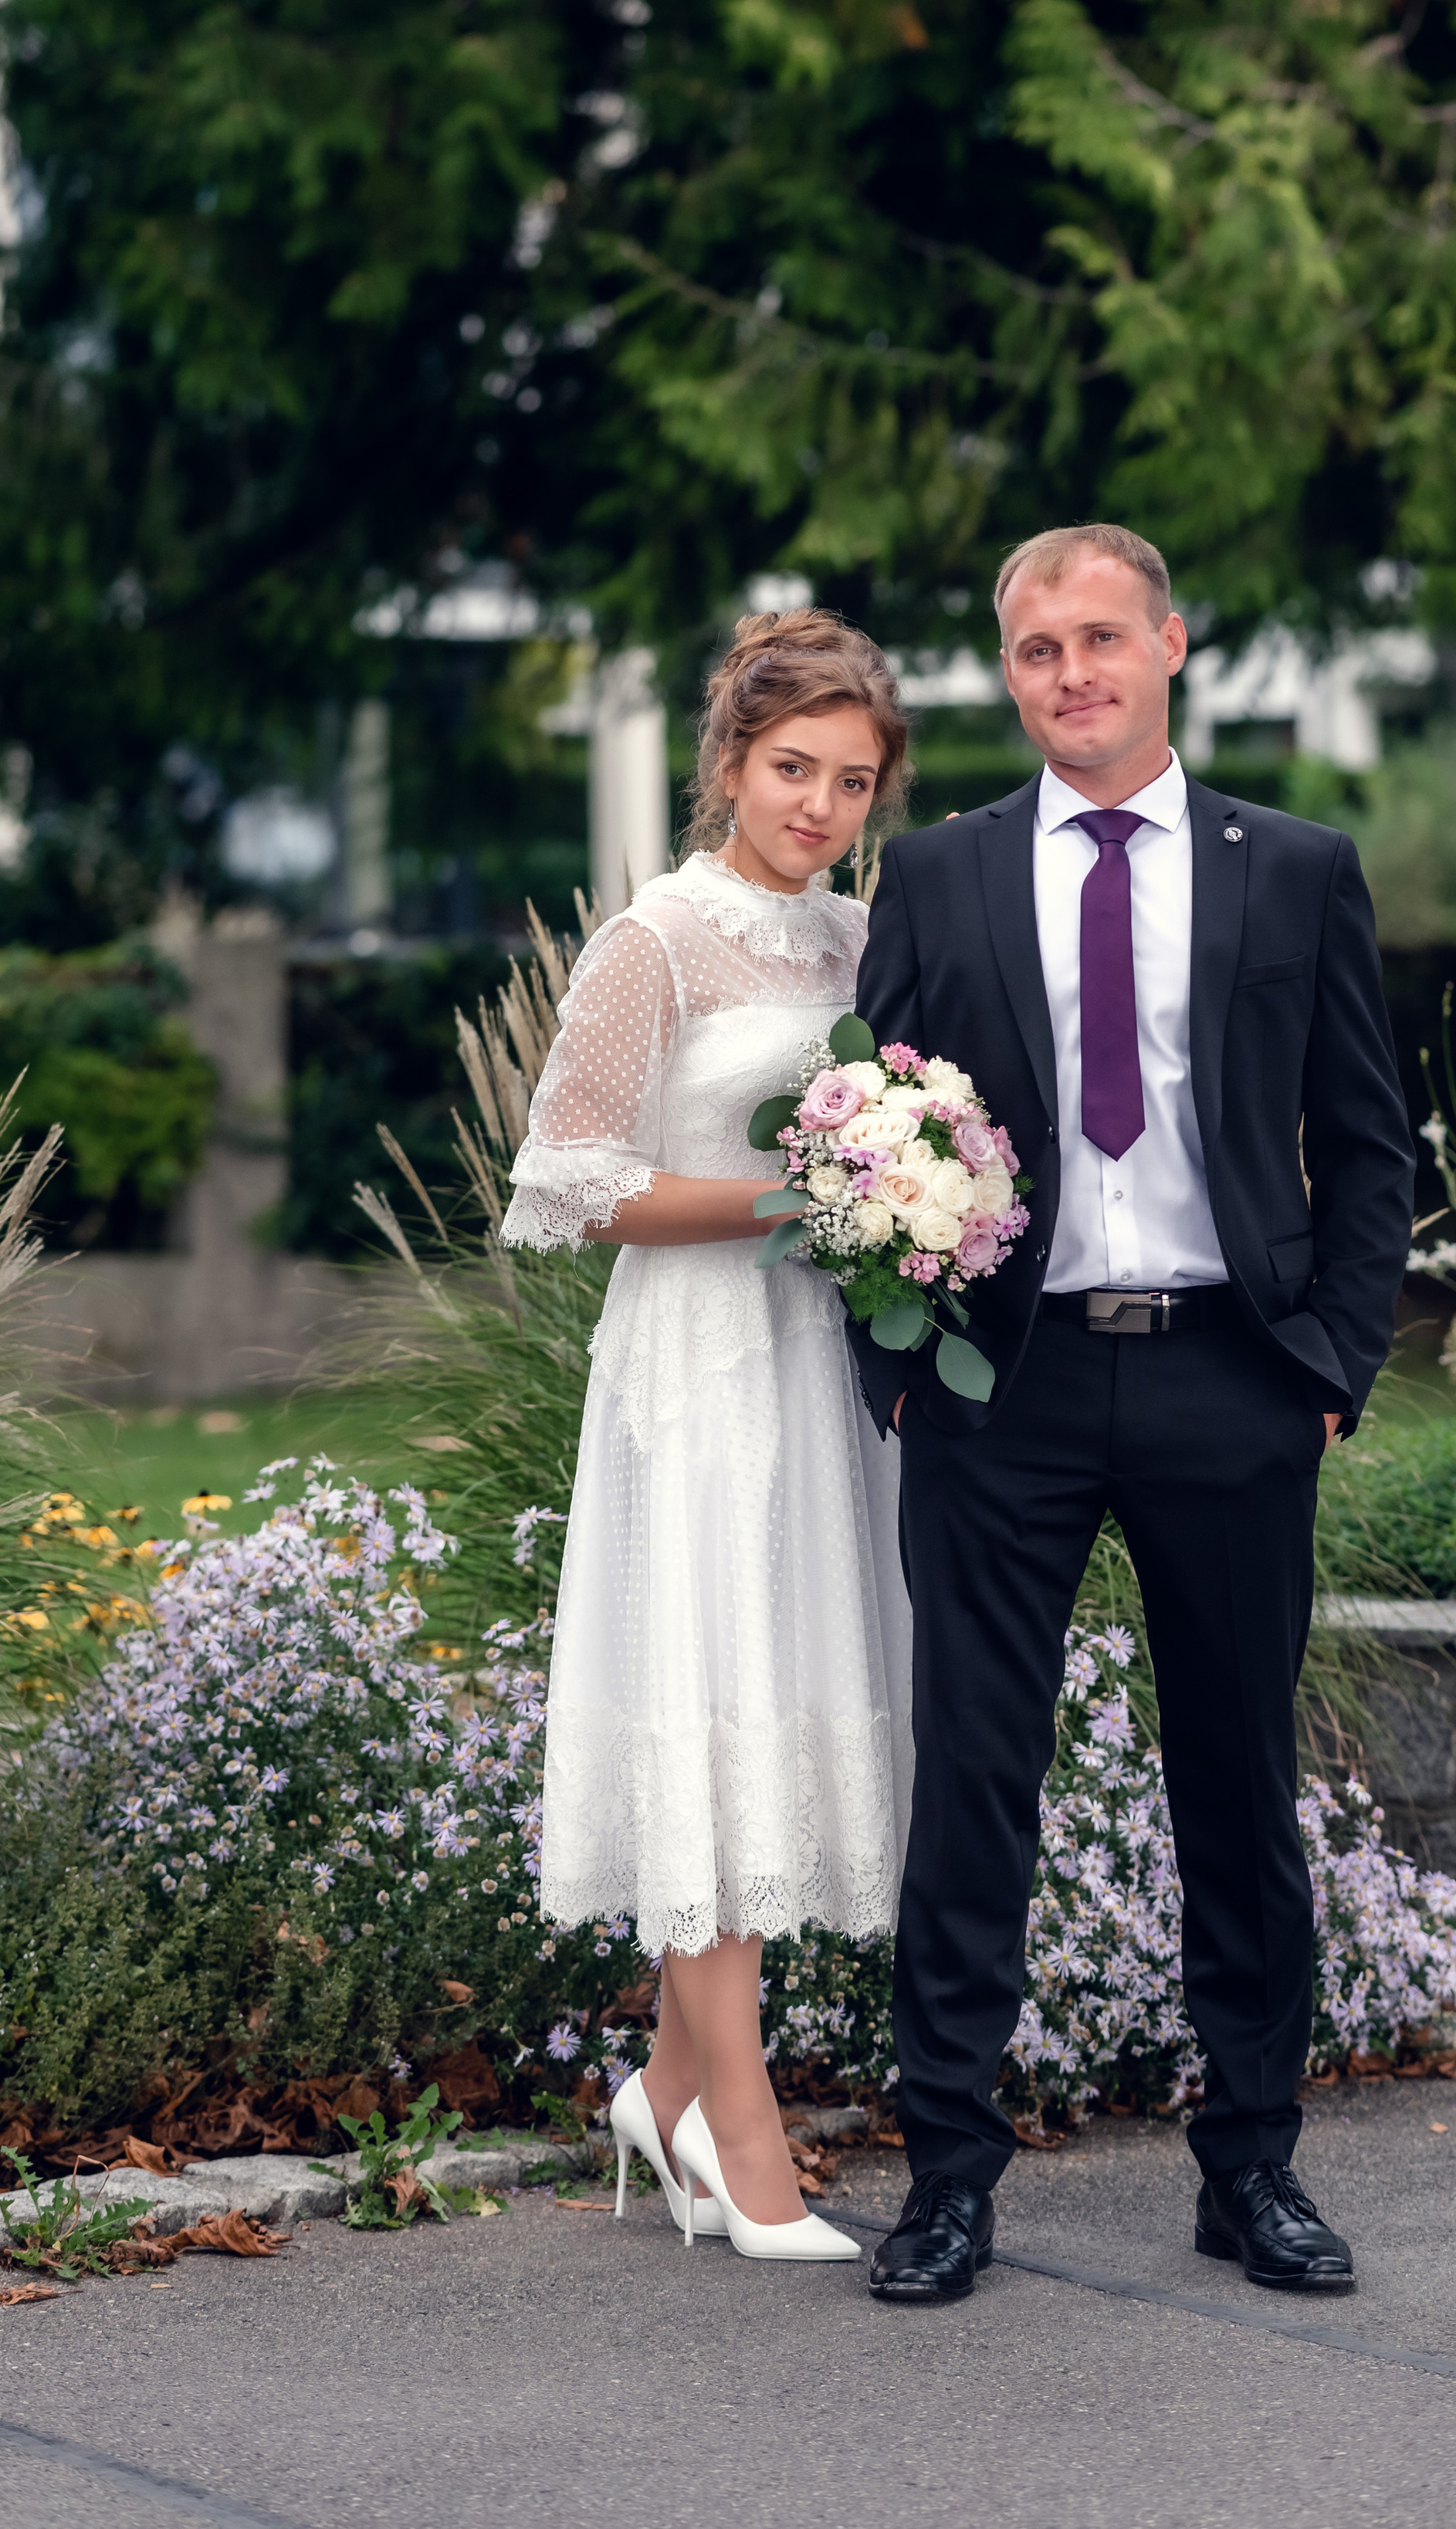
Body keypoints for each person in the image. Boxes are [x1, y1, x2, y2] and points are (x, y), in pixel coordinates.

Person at [848, 523, 1414, 2304]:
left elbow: (1370, 1143)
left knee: (1235, 1787)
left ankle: (1249, 2167)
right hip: (997, 1393)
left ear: (1170, 644)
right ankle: (946, 2176)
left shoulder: (1293, 870)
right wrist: (899, 1361)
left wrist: (1324, 1365)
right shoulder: (935, 878)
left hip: (1226, 1379)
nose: (1068, 674)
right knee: (971, 1784)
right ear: (1006, 673)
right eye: (1034, 651)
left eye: (1100, 638)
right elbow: (866, 1130)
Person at [501, 609, 913, 2263]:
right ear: (729, 764)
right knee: (708, 1707)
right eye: (791, 768)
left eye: (852, 780)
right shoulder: (650, 941)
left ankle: (659, 2092)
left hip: (820, 1370)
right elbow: (569, 1184)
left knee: (779, 1717)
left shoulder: (862, 941)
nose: (817, 805)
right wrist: (794, 1197)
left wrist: (903, 1207)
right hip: (692, 1369)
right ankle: (742, 2139)